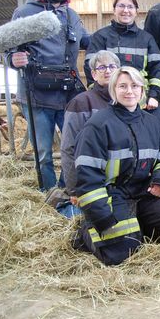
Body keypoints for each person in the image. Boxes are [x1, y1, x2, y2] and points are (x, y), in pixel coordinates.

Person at [74, 66, 160, 266]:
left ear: (142, 90)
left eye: (134, 86)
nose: (129, 91)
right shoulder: (98, 125)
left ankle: (135, 228)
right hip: (111, 194)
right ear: (113, 90)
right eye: (122, 86)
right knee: (120, 255)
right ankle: (86, 232)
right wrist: (102, 217)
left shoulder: (152, 123)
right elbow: (87, 177)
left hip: (142, 192)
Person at [7, 0, 90, 191]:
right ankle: (49, 193)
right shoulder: (25, 13)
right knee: (43, 151)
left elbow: (86, 41)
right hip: (36, 94)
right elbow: (10, 49)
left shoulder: (71, 15)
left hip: (67, 94)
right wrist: (12, 59)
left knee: (73, 145)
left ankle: (66, 189)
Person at [83, 0, 160, 117]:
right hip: (109, 102)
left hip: (142, 104)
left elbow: (158, 69)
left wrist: (154, 96)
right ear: (114, 10)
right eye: (121, 6)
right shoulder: (100, 37)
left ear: (136, 11)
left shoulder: (146, 39)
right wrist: (99, 96)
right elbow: (91, 68)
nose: (126, 10)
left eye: (130, 7)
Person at [59, 50, 120, 218]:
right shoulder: (80, 103)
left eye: (112, 66)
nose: (107, 71)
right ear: (93, 74)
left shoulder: (126, 101)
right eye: (101, 67)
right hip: (90, 180)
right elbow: (68, 147)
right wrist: (74, 189)